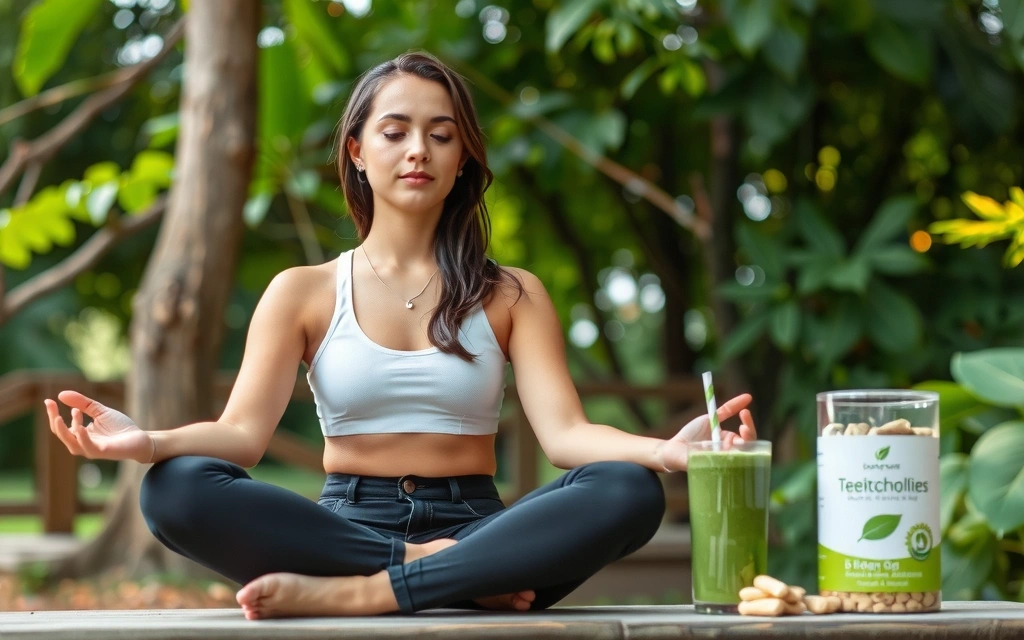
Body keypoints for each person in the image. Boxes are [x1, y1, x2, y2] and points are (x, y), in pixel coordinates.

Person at [44, 51, 756, 619]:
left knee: (629, 492)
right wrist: (151, 444)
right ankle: (440, 578)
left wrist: (662, 452)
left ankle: (368, 592)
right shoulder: (304, 290)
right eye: (395, 132)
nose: (419, 150)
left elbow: (566, 435)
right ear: (356, 150)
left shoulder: (511, 293)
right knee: (173, 490)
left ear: (463, 159)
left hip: (480, 524)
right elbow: (241, 437)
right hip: (349, 527)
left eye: (442, 135)